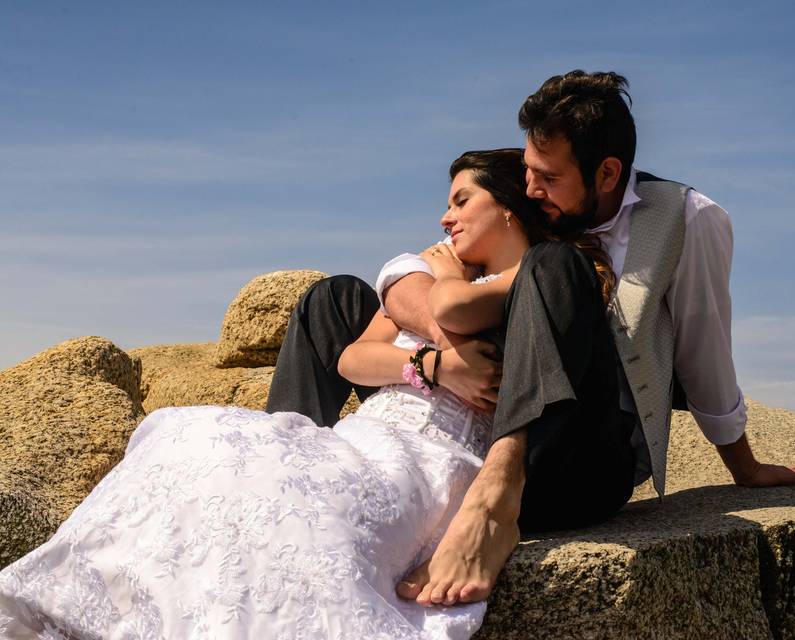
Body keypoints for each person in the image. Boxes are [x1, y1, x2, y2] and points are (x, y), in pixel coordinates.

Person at [0, 149, 594, 639]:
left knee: (311, 514)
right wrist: (432, 365)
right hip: (374, 426)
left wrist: (441, 279)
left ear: (511, 208)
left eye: (461, 201)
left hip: (436, 453)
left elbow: (450, 307)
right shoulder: (431, 278)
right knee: (206, 447)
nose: (444, 218)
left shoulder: (540, 278)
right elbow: (353, 357)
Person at [297, 70, 795, 608]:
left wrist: (744, 465)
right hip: (476, 403)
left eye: (546, 176)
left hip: (579, 444)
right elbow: (416, 270)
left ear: (607, 173)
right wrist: (442, 356)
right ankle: (295, 464)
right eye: (526, 171)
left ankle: (496, 499)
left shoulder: (686, 219)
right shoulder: (529, 205)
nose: (530, 188)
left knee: (554, 263)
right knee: (333, 298)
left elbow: (703, 341)